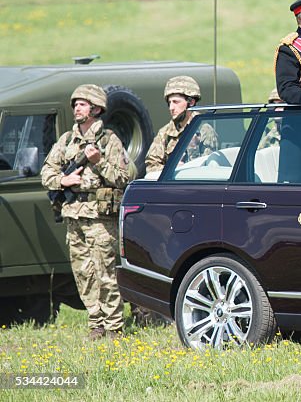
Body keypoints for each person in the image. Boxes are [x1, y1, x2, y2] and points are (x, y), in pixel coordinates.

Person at [40, 85, 130, 340]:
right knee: (83, 273)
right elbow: (46, 173)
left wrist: (98, 162)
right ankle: (96, 323)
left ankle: (114, 326)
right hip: (73, 216)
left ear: (96, 109)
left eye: (82, 104)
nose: (76, 108)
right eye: (75, 104)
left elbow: (123, 177)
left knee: (105, 273)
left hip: (100, 219)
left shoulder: (109, 140)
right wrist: (63, 181)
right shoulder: (67, 140)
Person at [145, 76, 219, 175]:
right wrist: (171, 169)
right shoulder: (165, 132)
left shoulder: (203, 129)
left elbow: (209, 169)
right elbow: (151, 166)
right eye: (169, 103)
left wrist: (192, 151)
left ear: (191, 102)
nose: (171, 107)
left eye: (176, 102)